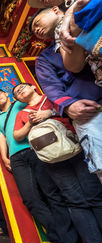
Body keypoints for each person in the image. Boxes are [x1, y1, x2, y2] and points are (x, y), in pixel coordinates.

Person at [0, 88, 84, 243]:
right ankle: (59, 241)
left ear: (7, 95)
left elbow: (44, 105)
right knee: (31, 199)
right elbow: (1, 137)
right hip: (16, 158)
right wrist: (4, 157)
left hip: (37, 149)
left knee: (52, 195)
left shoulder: (20, 104)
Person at [13, 82, 102, 243]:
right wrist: (30, 122)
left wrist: (50, 112)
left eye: (21, 87)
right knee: (74, 200)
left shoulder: (54, 97)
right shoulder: (22, 114)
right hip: (53, 158)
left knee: (95, 195)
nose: (19, 91)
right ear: (18, 100)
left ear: (33, 86)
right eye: (16, 93)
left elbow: (79, 109)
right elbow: (17, 135)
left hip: (78, 149)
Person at [31, 6, 102, 180]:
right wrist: (68, 105)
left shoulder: (87, 13)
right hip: (89, 110)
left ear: (55, 9)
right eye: (34, 30)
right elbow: (51, 87)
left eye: (37, 23)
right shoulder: (44, 58)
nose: (37, 30)